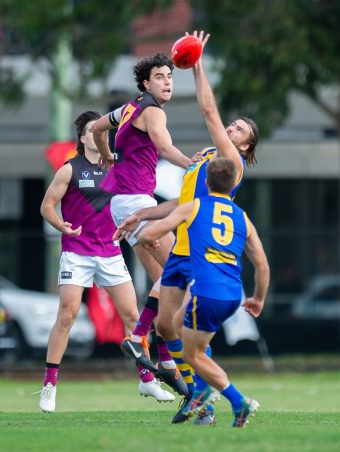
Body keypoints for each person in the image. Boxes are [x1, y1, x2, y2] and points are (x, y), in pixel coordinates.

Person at [114, 31, 259, 424]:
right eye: (233, 126)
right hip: (180, 244)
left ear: (245, 148)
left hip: (197, 250)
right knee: (167, 324)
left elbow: (209, 113)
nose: (231, 129)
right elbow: (182, 203)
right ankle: (196, 392)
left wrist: (198, 67)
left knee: (187, 332)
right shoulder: (208, 160)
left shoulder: (231, 160)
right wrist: (143, 215)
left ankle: (204, 397)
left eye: (240, 131)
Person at [39, 111, 174, 413]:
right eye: (91, 130)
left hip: (111, 252)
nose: (99, 133)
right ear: (83, 137)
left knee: (133, 316)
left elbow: (131, 205)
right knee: (67, 316)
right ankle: (49, 384)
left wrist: (144, 232)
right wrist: (61, 225)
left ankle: (147, 379)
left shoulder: (117, 168)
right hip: (77, 252)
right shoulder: (69, 169)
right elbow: (47, 206)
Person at [92, 53, 198, 397]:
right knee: (181, 272)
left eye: (170, 75)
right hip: (137, 202)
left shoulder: (128, 108)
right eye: (160, 76)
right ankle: (139, 337)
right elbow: (165, 147)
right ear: (145, 84)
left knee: (163, 282)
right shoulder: (152, 111)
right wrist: (192, 165)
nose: (168, 81)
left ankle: (164, 361)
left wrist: (106, 155)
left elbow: (95, 128)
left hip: (124, 204)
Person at [138, 157, 270, 427]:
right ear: (233, 183)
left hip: (207, 294)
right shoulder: (241, 215)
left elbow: (151, 233)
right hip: (233, 294)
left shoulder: (195, 206)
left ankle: (236, 401)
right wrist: (258, 298)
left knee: (191, 354)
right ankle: (203, 393)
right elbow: (262, 265)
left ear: (206, 182)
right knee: (172, 324)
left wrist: (147, 239)